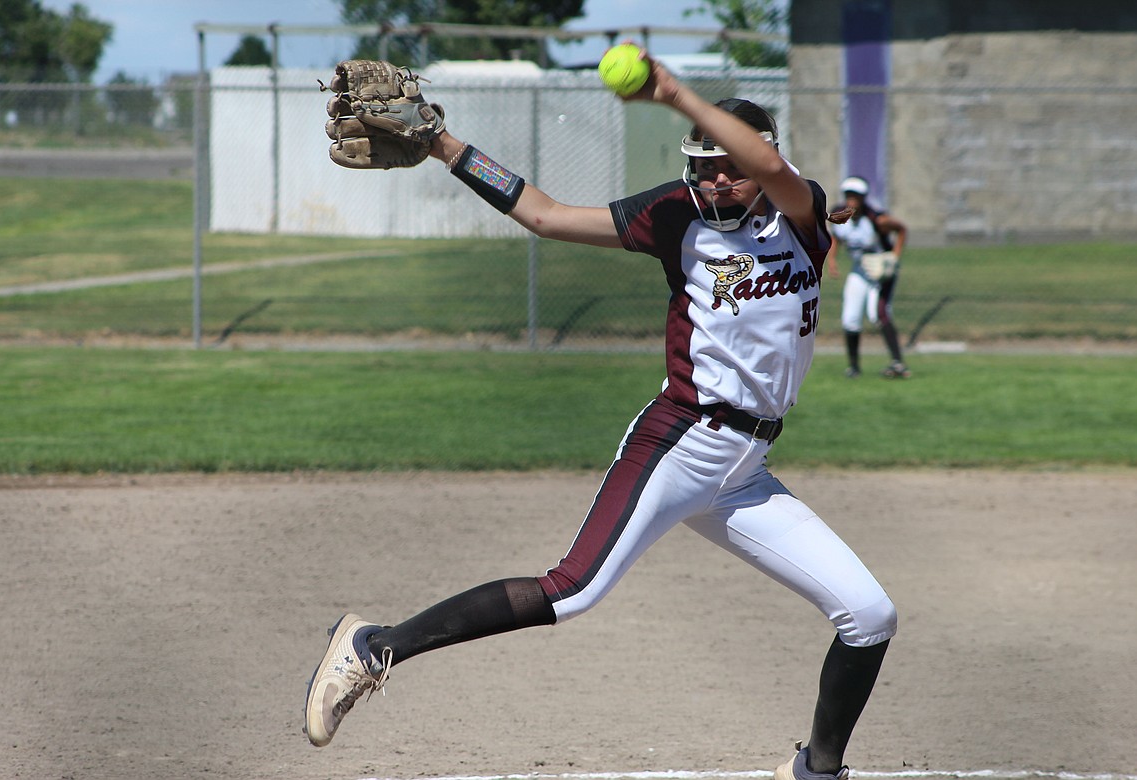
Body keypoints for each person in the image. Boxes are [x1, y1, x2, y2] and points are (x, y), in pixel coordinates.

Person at [305, 51, 897, 780]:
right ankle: (374, 646)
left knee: (869, 616)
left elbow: (768, 168)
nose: (715, 178)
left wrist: (675, 94)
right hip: (680, 441)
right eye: (702, 165)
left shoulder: (799, 214)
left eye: (729, 167)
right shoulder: (674, 216)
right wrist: (446, 148)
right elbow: (545, 215)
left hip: (745, 472)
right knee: (573, 589)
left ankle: (817, 770)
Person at [825, 176, 911, 378]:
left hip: (879, 269)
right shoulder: (839, 215)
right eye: (849, 196)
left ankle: (898, 363)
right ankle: (854, 367)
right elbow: (836, 237)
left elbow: (901, 229)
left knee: (878, 314)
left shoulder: (876, 219)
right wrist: (832, 260)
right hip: (859, 269)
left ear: (864, 199)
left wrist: (894, 257)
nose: (852, 201)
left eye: (856, 197)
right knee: (850, 318)